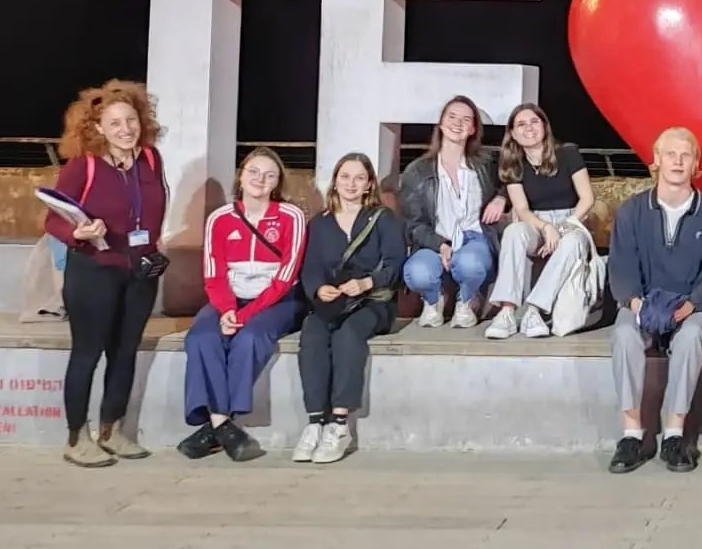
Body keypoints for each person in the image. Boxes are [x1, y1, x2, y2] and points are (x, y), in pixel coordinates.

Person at [42, 80, 169, 468]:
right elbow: (52, 219)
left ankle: (113, 431)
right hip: (94, 270)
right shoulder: (84, 166)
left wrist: (151, 246)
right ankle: (77, 437)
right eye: (115, 123)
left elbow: (152, 207)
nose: (125, 129)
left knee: (124, 352)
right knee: (88, 353)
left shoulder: (150, 158)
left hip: (140, 272)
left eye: (130, 120)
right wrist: (76, 232)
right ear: (97, 128)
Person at [607, 127, 702, 473]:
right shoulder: (633, 211)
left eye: (686, 155)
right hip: (642, 303)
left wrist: (688, 308)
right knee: (623, 336)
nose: (678, 161)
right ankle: (632, 434)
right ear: (656, 160)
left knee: (692, 337)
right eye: (670, 154)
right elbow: (621, 266)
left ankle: (674, 434)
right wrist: (637, 305)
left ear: (695, 165)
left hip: (692, 305)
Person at [184, 147, 309, 461]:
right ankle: (223, 425)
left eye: (269, 175)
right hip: (228, 297)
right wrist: (227, 310)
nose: (260, 180)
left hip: (278, 299)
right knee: (201, 336)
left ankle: (215, 427)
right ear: (241, 175)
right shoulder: (220, 219)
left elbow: (285, 276)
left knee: (251, 337)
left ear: (277, 182)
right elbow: (213, 275)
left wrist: (245, 315)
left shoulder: (291, 217)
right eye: (254, 172)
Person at [295, 151, 403, 465]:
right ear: (336, 181)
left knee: (348, 334)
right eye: (345, 176)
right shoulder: (320, 223)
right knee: (312, 333)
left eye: (359, 177)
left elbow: (396, 264)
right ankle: (316, 421)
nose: (351, 184)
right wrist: (318, 289)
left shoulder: (383, 219)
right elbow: (310, 267)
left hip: (372, 302)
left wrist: (367, 283)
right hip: (333, 302)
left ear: (369, 183)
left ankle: (339, 424)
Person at [483, 102, 600, 340]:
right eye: (521, 124)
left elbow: (587, 198)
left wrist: (562, 228)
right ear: (513, 133)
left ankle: (534, 311)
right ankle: (506, 312)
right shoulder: (512, 163)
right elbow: (522, 209)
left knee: (572, 242)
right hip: (536, 222)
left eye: (534, 122)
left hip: (572, 218)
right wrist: (546, 228)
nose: (529, 128)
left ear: (544, 126)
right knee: (514, 232)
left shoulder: (568, 153)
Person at [398, 96, 508, 328]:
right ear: (440, 123)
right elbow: (413, 225)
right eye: (452, 117)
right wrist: (440, 245)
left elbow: (514, 179)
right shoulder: (417, 171)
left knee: (471, 264)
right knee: (417, 272)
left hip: (474, 237)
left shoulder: (486, 163)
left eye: (466, 119)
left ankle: (466, 301)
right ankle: (433, 300)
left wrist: (501, 197)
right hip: (433, 240)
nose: (458, 124)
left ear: (473, 129)